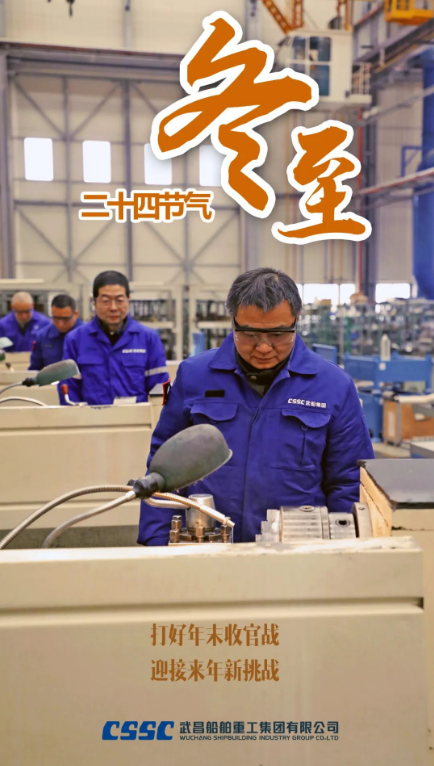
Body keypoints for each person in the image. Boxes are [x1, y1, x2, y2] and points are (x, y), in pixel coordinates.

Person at [138, 267, 375, 546]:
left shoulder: (333, 386)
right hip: (206, 545)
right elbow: (163, 470)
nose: (263, 347)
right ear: (233, 321)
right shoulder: (193, 376)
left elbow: (349, 481)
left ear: (297, 321)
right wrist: (156, 543)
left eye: (278, 334)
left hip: (300, 552)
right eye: (250, 334)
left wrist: (346, 551)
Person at [61, 270, 169, 405]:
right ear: (94, 302)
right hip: (91, 417)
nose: (113, 308)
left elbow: (161, 387)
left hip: (138, 417)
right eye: (106, 301)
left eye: (119, 300)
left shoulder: (148, 339)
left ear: (128, 300)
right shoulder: (75, 340)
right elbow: (69, 389)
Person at [29, 294, 83, 370]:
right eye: (56, 318)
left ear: (75, 314)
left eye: (65, 319)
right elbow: (35, 369)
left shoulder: (87, 336)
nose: (60, 324)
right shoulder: (43, 337)